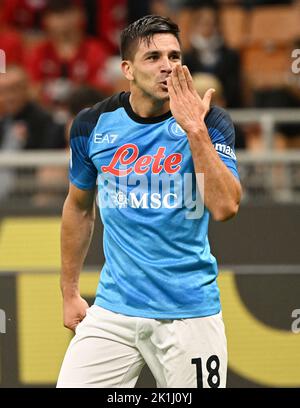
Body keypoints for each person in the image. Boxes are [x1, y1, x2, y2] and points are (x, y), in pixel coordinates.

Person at [57, 14, 242, 388]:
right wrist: (71, 293)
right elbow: (78, 207)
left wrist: (195, 130)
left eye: (174, 57)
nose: (167, 67)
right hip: (113, 310)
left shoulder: (210, 121)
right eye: (153, 57)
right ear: (127, 69)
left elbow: (225, 207)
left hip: (189, 312)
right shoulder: (92, 125)